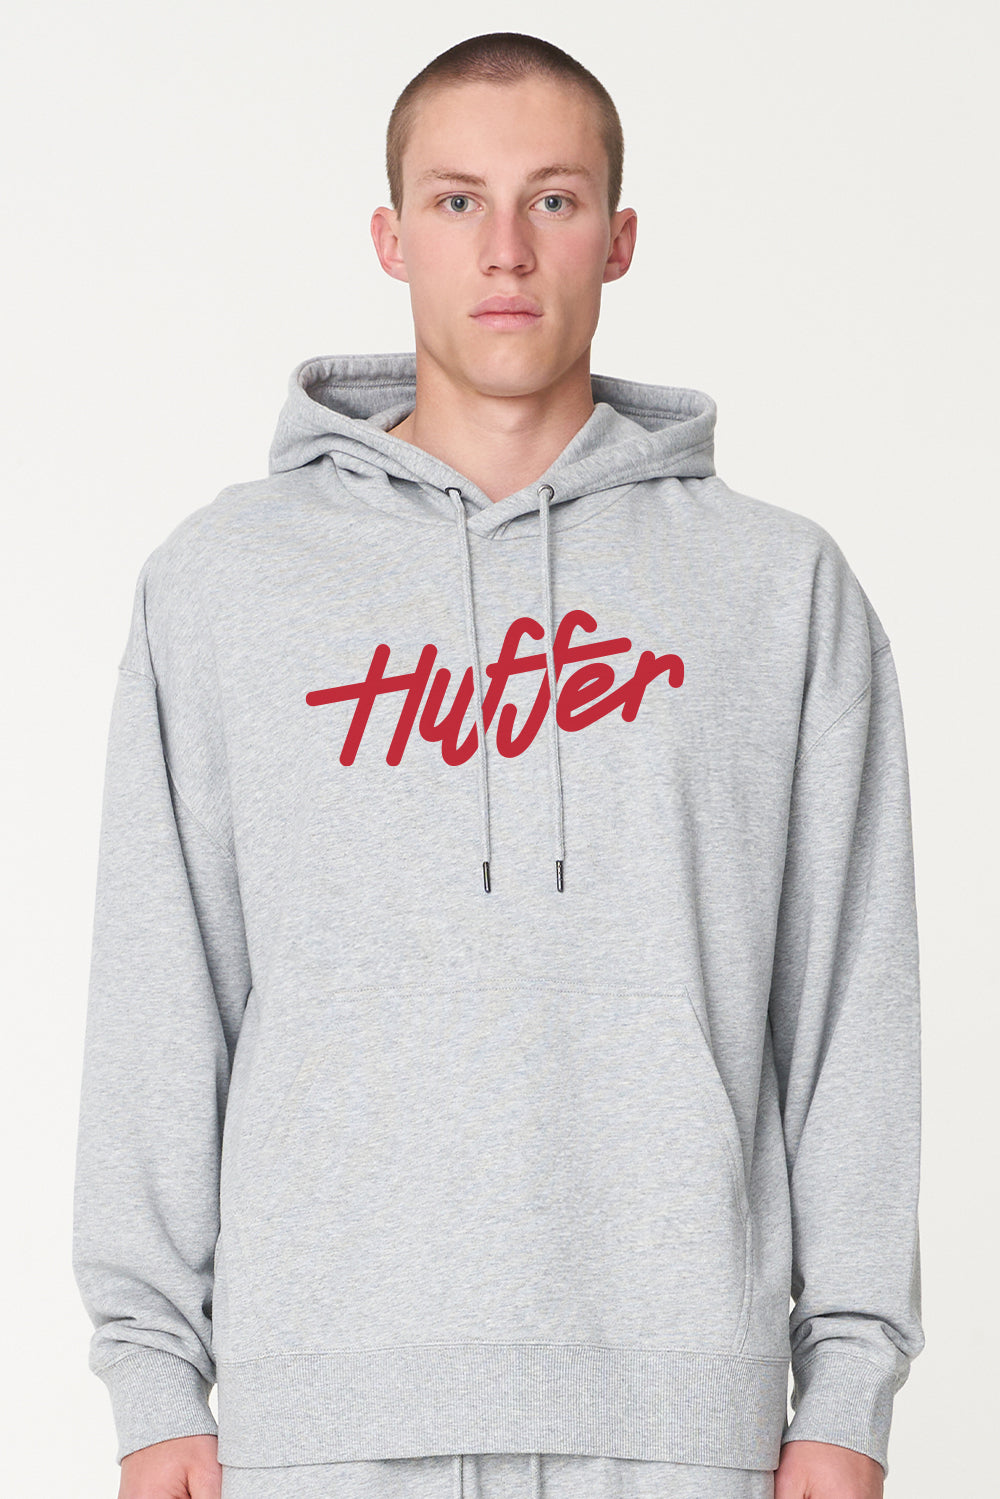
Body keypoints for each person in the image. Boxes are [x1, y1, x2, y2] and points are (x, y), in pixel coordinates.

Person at [72, 30, 924, 1499]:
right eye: (458, 201)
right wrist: (153, 1383)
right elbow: (163, 983)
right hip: (317, 1422)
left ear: (620, 237)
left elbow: (849, 1002)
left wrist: (846, 1393)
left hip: (683, 1419)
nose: (507, 250)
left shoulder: (778, 589)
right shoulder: (223, 582)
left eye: (555, 199)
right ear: (392, 237)